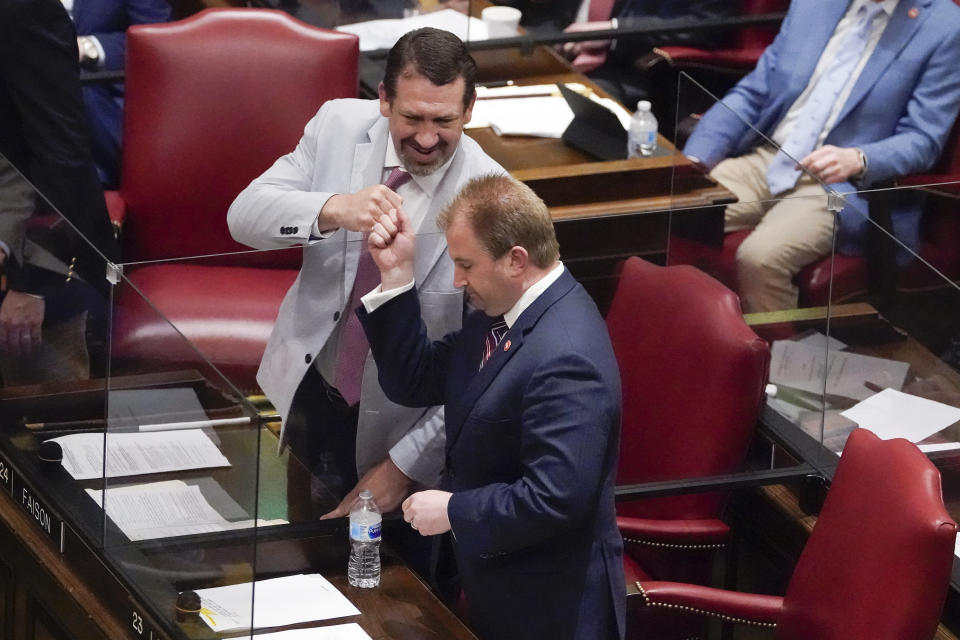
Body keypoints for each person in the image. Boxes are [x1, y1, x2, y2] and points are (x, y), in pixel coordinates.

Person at [227, 28, 505, 521]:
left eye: (443, 121)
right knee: (299, 547)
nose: (425, 138)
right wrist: (334, 208)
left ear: (469, 110)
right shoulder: (337, 123)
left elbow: (485, 373)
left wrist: (402, 468)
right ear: (382, 100)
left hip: (402, 436)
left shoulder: (493, 198)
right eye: (412, 117)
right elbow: (244, 216)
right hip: (313, 386)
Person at [357, 174, 625, 640]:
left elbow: (556, 498)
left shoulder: (566, 356)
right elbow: (416, 379)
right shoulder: (503, 313)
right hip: (495, 584)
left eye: (466, 265)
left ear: (516, 260)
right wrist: (397, 276)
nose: (458, 281)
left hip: (549, 610)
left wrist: (455, 510)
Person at [683, 0, 960, 312]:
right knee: (674, 210)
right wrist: (696, 158)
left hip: (843, 187)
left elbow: (924, 139)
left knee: (760, 257)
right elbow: (755, 91)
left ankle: (781, 358)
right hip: (771, 157)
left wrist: (861, 158)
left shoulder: (945, 28)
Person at [0, 0, 119, 384]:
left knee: (44, 433)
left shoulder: (23, 8)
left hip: (41, 259)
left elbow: (60, 153)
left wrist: (32, 286)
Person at [555, 0, 730, 118]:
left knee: (565, 108)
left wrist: (614, 31)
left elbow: (704, 26)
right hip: (562, 34)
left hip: (637, 66)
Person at [68, 0, 173, 187]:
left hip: (102, 90)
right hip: (23, 79)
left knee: (75, 84)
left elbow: (161, 41)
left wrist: (88, 47)